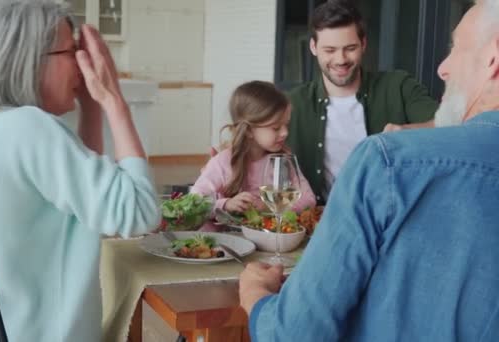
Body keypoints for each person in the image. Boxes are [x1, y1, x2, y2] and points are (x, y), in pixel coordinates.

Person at [239, 0, 499, 340]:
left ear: (493, 57)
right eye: (330, 48)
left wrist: (255, 296)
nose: (442, 68)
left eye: (455, 48)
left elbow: (294, 333)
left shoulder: (386, 159)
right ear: (314, 49)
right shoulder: (297, 103)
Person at [0, 1, 160, 341]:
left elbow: (89, 194)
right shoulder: (28, 127)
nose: (81, 64)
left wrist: (92, 108)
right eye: (71, 51)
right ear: (29, 60)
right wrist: (114, 99)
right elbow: (141, 212)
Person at [287, 0, 439, 202]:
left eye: (350, 48)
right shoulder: (293, 102)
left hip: (391, 219)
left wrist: (407, 132)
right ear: (313, 47)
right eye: (330, 50)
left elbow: (451, 126)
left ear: (364, 44)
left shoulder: (398, 86)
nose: (341, 60)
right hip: (319, 222)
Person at [191, 81, 316, 214]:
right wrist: (225, 204)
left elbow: (309, 200)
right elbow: (194, 202)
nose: (285, 132)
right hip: (227, 234)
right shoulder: (223, 161)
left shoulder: (283, 162)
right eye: (276, 127)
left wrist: (270, 208)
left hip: (270, 234)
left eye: (286, 124)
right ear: (249, 130)